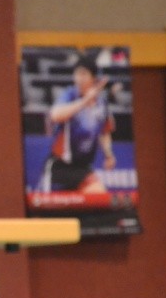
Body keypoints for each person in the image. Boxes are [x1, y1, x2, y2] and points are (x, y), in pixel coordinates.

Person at [38, 53, 116, 194]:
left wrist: (108, 155)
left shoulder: (101, 103)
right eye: (77, 74)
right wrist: (85, 101)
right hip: (60, 167)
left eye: (84, 74)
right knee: (52, 208)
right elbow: (55, 115)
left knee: (99, 197)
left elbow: (104, 131)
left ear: (93, 78)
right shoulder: (69, 95)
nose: (79, 78)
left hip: (83, 169)